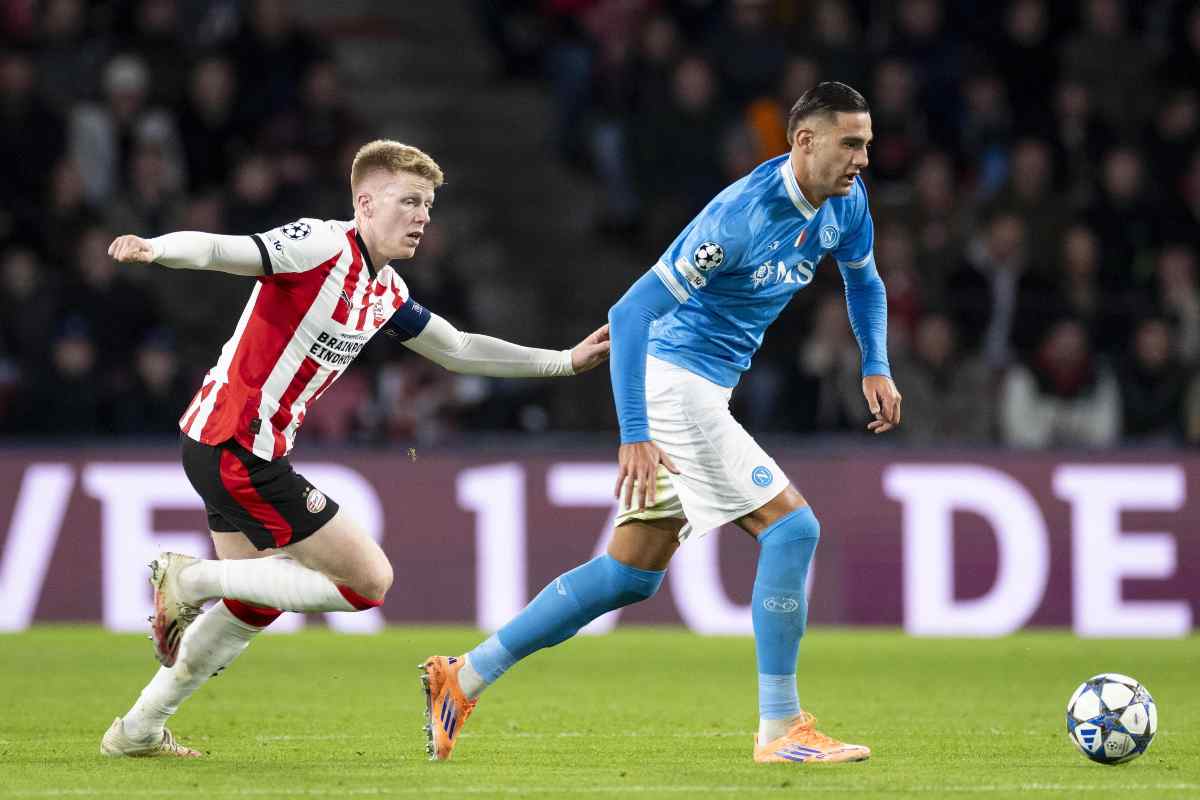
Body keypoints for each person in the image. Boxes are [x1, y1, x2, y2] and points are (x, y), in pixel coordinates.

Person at [422, 82, 901, 765]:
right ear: (805, 141)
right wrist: (635, 432)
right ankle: (780, 728)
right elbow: (629, 314)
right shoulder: (737, 218)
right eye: (850, 144)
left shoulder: (846, 202)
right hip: (675, 384)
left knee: (631, 575)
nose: (862, 159)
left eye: (867, 144)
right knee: (793, 529)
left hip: (704, 387)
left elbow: (865, 281)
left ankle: (463, 677)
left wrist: (875, 364)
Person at [98, 139, 610, 758]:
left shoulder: (384, 290)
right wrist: (157, 248)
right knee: (369, 580)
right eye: (409, 201)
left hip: (236, 448)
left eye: (428, 205)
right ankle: (189, 577)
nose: (422, 217)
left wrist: (563, 361)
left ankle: (138, 730)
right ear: (365, 204)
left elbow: (458, 348)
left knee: (250, 604)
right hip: (235, 443)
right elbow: (221, 250)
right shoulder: (319, 244)